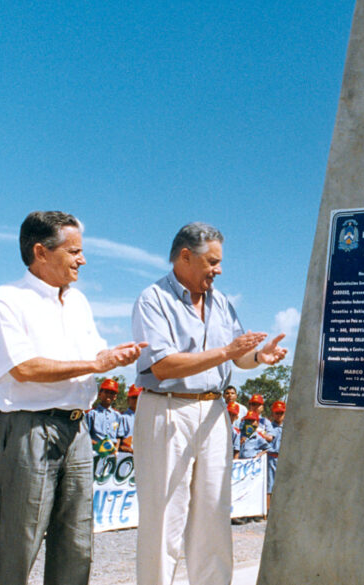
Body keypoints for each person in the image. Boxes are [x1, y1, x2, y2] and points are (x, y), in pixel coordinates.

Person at [0, 211, 144, 585]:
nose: (82, 260)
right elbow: (24, 368)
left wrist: (115, 356)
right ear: (40, 251)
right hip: (28, 429)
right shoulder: (6, 300)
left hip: (76, 430)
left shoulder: (80, 302)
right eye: (74, 251)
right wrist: (95, 362)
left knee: (77, 544)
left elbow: (95, 356)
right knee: (20, 546)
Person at [131, 221, 288, 585]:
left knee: (214, 518)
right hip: (167, 408)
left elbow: (239, 357)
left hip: (214, 414)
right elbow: (163, 365)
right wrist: (227, 352)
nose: (218, 270)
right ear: (185, 256)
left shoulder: (221, 303)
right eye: (212, 261)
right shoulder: (153, 299)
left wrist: (259, 358)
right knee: (164, 520)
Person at [84, 378, 127, 457]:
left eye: (112, 393)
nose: (109, 395)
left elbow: (118, 436)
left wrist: (115, 450)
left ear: (115, 397)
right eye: (106, 392)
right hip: (96, 452)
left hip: (113, 453)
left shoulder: (118, 416)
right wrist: (101, 448)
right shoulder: (92, 414)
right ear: (100, 394)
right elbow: (85, 436)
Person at [266, 400, 286, 507]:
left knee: (283, 484)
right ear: (272, 413)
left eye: (281, 413)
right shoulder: (269, 427)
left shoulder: (288, 427)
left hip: (283, 459)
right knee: (269, 485)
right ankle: (268, 510)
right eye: (276, 413)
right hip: (271, 458)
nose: (279, 415)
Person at [118, 385, 141, 453]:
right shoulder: (123, 418)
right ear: (128, 400)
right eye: (133, 397)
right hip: (127, 453)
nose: (136, 400)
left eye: (138, 397)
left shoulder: (145, 417)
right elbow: (119, 440)